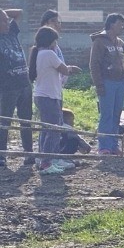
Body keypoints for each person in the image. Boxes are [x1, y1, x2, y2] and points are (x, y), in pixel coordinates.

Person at [30, 27, 82, 175]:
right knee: (54, 129)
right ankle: (47, 162)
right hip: (49, 96)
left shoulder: (39, 53)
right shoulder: (49, 54)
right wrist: (72, 68)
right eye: (55, 40)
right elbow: (64, 70)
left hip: (43, 95)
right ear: (50, 41)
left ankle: (47, 160)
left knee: (48, 129)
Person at [89, 13, 124, 155]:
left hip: (121, 82)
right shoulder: (99, 42)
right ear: (111, 24)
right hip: (107, 82)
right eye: (121, 24)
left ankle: (113, 144)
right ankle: (104, 146)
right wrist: (99, 84)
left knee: (116, 114)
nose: (123, 27)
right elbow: (94, 64)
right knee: (106, 114)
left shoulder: (121, 43)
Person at [0, 7, 34, 167]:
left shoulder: (11, 32)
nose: (8, 23)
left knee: (26, 120)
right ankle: (2, 155)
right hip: (7, 87)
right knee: (4, 122)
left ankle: (29, 153)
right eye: (4, 21)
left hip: (24, 83)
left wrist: (3, 14)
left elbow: (19, 12)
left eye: (7, 20)